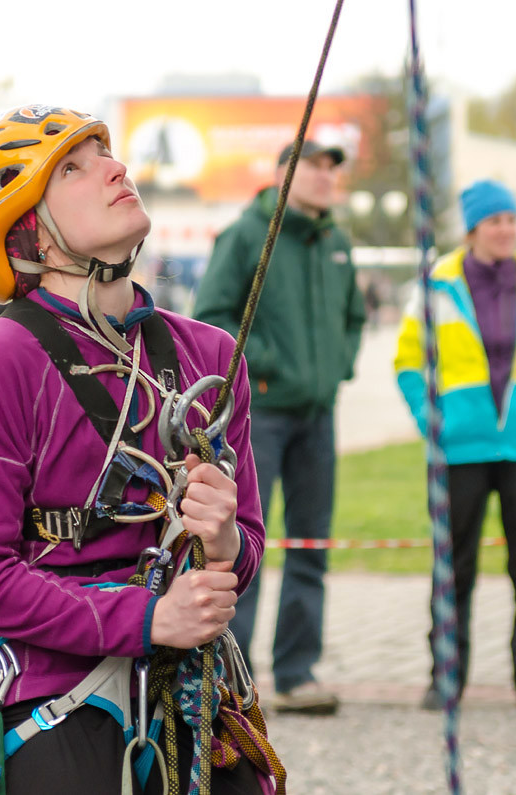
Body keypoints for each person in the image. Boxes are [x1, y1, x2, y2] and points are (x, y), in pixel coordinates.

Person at [0, 105, 277, 792]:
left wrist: (226, 542)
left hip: (192, 686)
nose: (116, 168)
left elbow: (248, 550)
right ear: (30, 233)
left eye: (105, 155)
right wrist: (150, 617)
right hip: (54, 689)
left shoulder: (208, 355)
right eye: (73, 169)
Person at [393, 179, 516, 715]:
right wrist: (430, 419)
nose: (506, 230)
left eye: (511, 219)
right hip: (460, 448)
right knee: (454, 566)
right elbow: (409, 362)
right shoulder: (436, 284)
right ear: (473, 228)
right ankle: (446, 679)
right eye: (495, 221)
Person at [194, 140, 365, 716]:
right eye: (312, 166)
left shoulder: (336, 242)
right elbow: (213, 314)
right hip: (260, 415)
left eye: (330, 168)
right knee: (242, 548)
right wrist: (264, 368)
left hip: (319, 416)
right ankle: (229, 679)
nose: (324, 177)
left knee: (310, 546)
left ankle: (296, 672)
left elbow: (354, 317)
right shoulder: (248, 234)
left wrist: (335, 367)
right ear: (282, 173)